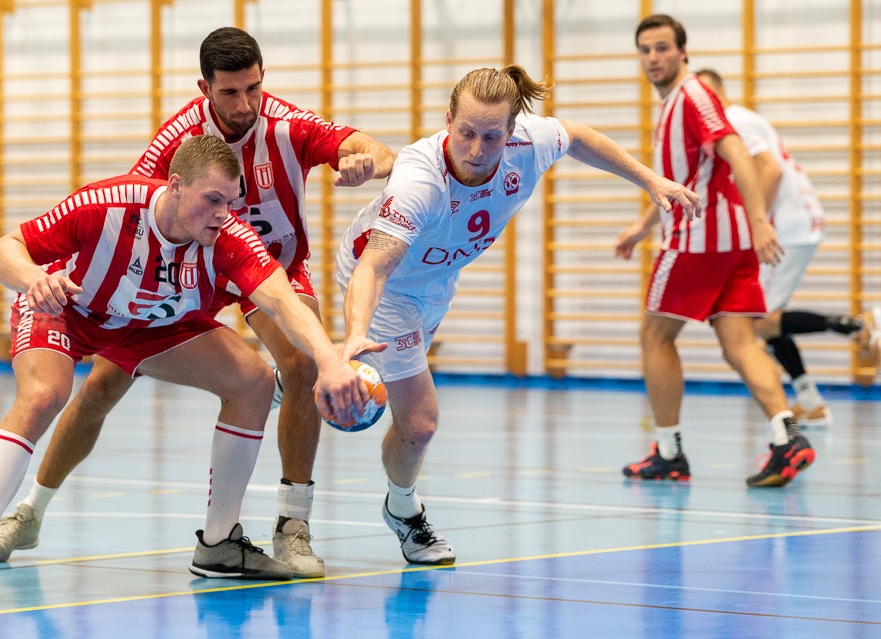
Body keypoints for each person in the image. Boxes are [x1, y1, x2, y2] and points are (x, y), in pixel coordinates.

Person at [0, 27, 394, 579]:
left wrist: (367, 163)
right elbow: (140, 216)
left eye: (253, 88)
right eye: (230, 92)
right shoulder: (176, 141)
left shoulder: (287, 125)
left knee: (303, 362)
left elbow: (376, 150)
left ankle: (293, 525)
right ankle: (31, 510)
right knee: (102, 386)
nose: (245, 104)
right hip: (193, 275)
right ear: (205, 88)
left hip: (270, 268)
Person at [0, 135, 370, 607]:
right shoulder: (107, 205)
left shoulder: (230, 237)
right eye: (212, 200)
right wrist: (34, 280)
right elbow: (2, 250)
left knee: (253, 382)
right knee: (45, 395)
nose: (223, 214)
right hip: (68, 310)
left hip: (148, 325)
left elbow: (284, 302)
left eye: (231, 201)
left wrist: (330, 362)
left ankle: (219, 543)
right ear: (176, 185)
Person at [335, 64, 702, 565]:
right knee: (420, 423)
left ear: (512, 132)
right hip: (388, 284)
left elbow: (577, 136)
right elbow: (374, 268)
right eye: (466, 133)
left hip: (437, 281)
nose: (476, 150)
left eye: (492, 136)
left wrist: (649, 180)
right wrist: (357, 333)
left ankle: (299, 375)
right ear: (447, 120)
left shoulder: (529, 143)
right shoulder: (420, 181)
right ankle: (404, 511)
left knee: (406, 411)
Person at [616, 14, 816, 488]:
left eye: (662, 48)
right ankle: (787, 436)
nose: (653, 58)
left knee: (655, 336)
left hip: (697, 241)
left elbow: (738, 152)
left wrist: (761, 220)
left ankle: (669, 453)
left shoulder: (692, 96)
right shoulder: (675, 103)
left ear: (683, 52)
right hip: (730, 245)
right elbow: (685, 180)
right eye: (645, 50)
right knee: (740, 343)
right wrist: (643, 226)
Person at [695, 68, 880, 427]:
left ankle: (857, 326)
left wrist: (755, 225)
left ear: (719, 93)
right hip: (796, 223)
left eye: (705, 95)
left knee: (754, 322)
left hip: (788, 227)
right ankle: (810, 401)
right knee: (765, 318)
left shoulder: (733, 119)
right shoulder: (739, 119)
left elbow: (771, 170)